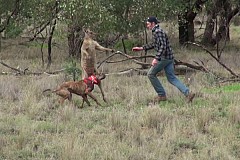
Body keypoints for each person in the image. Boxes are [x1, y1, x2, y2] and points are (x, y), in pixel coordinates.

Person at [132, 16, 195, 103]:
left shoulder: (158, 32)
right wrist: (141, 48)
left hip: (164, 58)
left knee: (150, 74)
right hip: (169, 58)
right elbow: (155, 44)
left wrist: (156, 58)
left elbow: (163, 46)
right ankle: (188, 94)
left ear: (153, 23)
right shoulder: (157, 31)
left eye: (148, 24)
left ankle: (161, 95)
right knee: (171, 78)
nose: (147, 26)